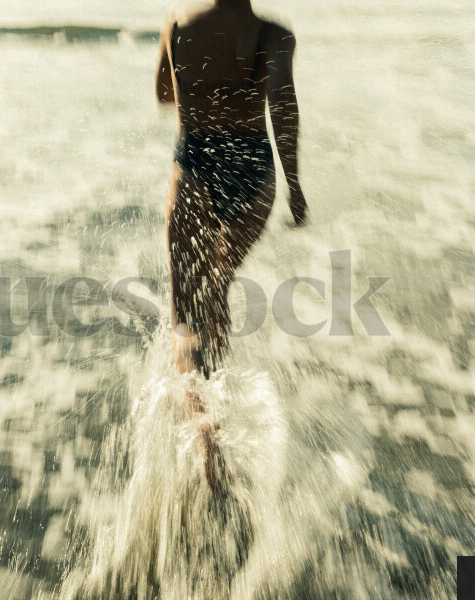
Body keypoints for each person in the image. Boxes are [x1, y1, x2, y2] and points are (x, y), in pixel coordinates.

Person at [156, 0, 307, 494]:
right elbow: (283, 105)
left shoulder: (177, 24)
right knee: (217, 287)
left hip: (197, 161)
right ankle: (216, 385)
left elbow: (162, 93)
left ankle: (206, 434)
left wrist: (200, 93)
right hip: (253, 169)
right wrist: (296, 187)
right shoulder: (273, 36)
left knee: (185, 317)